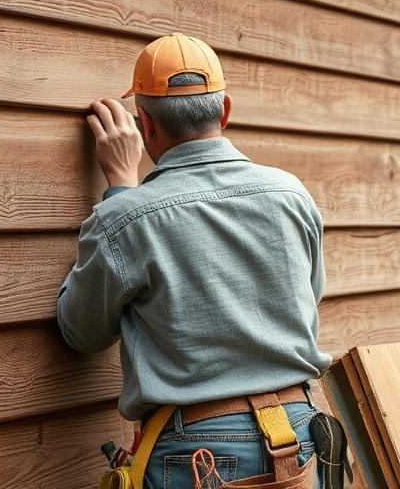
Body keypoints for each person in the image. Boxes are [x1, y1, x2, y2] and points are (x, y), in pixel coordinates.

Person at [56, 32, 331, 488]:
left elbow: (80, 331)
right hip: (299, 429)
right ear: (224, 111)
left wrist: (122, 190)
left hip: (198, 449)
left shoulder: (126, 219)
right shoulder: (292, 194)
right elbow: (307, 297)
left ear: (145, 124)